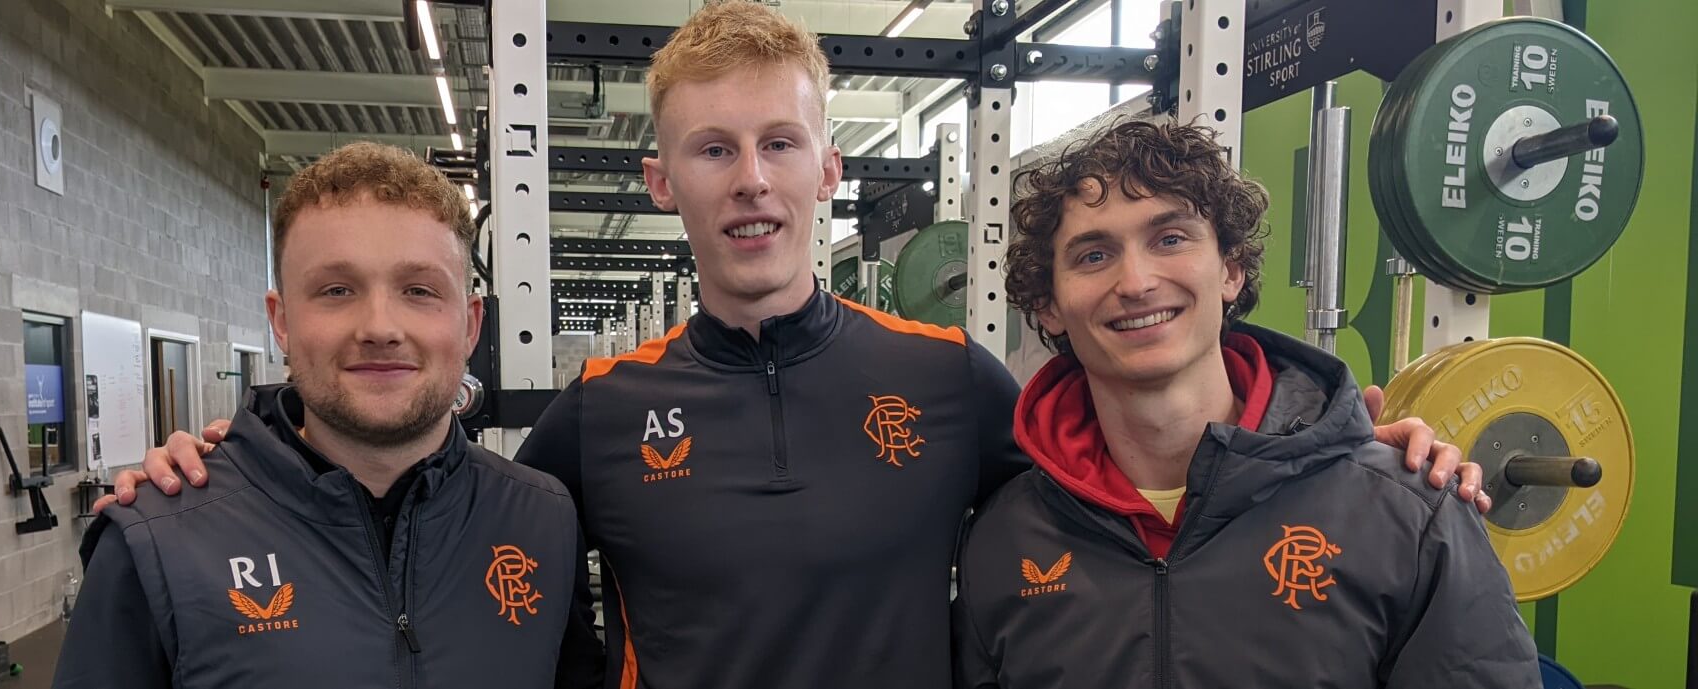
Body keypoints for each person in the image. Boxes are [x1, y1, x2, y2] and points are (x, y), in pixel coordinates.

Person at [99, 3, 1487, 687]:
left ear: (829, 171)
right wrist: (228, 463)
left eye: (779, 144)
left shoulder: (951, 381)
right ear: (665, 183)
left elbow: (1128, 485)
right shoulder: (595, 411)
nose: (749, 178)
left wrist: (1354, 441)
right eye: (713, 148)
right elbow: (435, 517)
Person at [951, 120, 1538, 688]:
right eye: (1093, 256)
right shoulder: (1006, 538)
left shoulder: (1405, 513)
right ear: (1049, 305)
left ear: (1230, 269)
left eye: (1170, 238)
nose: (1135, 282)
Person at [54, 143, 583, 688]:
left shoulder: (542, 519)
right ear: (281, 321)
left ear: (470, 325)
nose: (380, 327)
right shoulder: (158, 540)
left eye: (419, 290)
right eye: (337, 290)